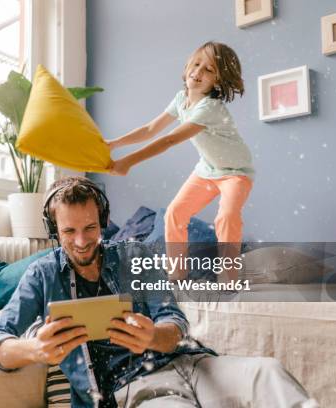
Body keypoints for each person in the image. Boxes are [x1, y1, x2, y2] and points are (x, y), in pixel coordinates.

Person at [0, 176, 316, 408]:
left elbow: (174, 320)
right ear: (54, 229)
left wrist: (152, 336)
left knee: (268, 371)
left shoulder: (134, 255)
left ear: (103, 221)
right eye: (69, 231)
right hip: (139, 386)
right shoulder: (42, 274)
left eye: (90, 228)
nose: (81, 241)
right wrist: (35, 349)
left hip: (194, 364)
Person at [108, 41, 254, 282]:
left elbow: (170, 140)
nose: (198, 72)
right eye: (196, 64)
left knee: (227, 216)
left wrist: (127, 162)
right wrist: (114, 143)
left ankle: (229, 277)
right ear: (188, 65)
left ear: (218, 81)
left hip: (236, 173)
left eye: (208, 70)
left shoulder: (210, 108)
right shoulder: (181, 99)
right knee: (175, 213)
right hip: (207, 170)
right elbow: (150, 129)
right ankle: (177, 274)